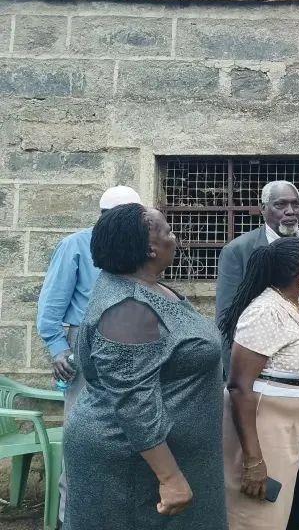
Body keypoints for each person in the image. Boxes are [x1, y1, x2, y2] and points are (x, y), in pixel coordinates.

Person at [63, 203, 226, 529]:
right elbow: (133, 401)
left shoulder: (147, 288)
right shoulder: (127, 309)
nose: (174, 238)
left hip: (170, 459)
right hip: (133, 465)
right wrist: (170, 478)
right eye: (168, 231)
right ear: (151, 248)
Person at [34, 185, 142, 523]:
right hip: (86, 344)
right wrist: (59, 350)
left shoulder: (141, 247)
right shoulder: (76, 245)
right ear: (103, 217)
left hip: (135, 342)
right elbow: (51, 306)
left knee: (132, 431)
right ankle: (71, 516)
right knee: (82, 432)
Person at [221, 236, 299, 530]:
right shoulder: (265, 312)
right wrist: (253, 460)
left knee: (275, 512)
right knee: (255, 515)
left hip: (286, 427)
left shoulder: (295, 304)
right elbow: (239, 386)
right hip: (263, 428)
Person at [216, 180, 299, 376]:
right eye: (280, 205)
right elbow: (226, 320)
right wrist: (235, 378)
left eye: (295, 204)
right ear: (263, 209)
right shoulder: (238, 251)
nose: (290, 211)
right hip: (261, 365)